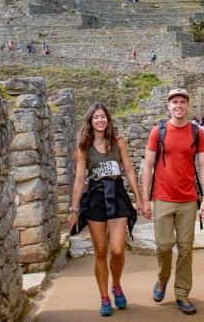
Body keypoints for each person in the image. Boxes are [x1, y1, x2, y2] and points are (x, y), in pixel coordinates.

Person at [140, 88, 204, 315]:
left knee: (186, 249)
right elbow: (147, 166)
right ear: (168, 106)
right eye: (174, 102)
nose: (178, 105)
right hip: (162, 197)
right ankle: (162, 279)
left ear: (188, 106)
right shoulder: (158, 132)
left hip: (189, 198)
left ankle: (182, 294)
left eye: (182, 102)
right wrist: (144, 199)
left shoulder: (197, 132)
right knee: (162, 246)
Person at [68, 103, 141, 317]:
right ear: (90, 121)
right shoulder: (84, 146)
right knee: (100, 251)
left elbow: (128, 169)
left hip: (117, 194)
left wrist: (140, 199)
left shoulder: (118, 142)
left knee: (117, 250)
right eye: (95, 117)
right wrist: (74, 210)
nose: (100, 120)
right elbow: (80, 179)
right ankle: (104, 298)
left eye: (103, 117)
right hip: (95, 197)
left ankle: (116, 285)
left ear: (108, 119)